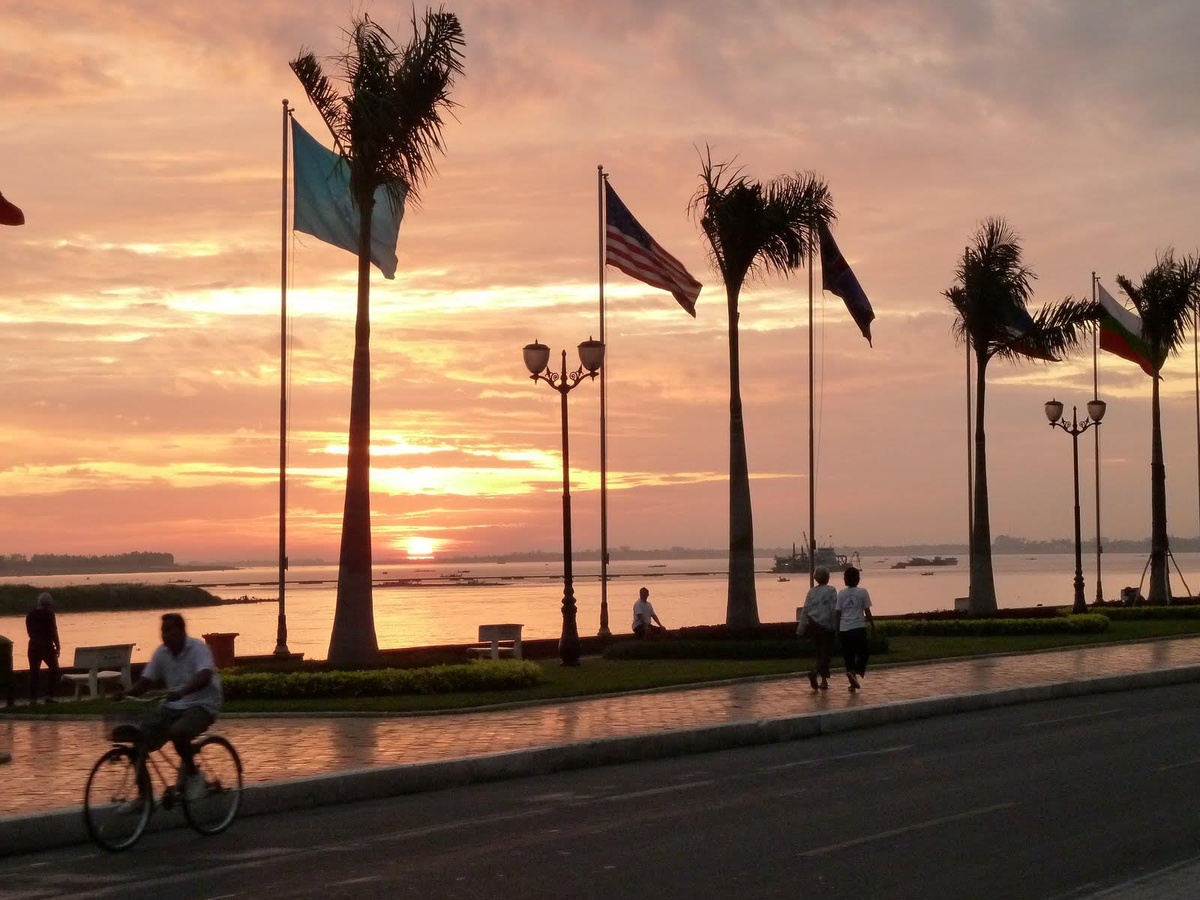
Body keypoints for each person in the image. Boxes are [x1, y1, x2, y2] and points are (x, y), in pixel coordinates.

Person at [117, 613, 222, 798]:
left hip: (203, 705)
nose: (165, 635)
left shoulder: (197, 648)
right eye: (162, 631)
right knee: (139, 740)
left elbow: (205, 675)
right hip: (174, 706)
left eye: (169, 630)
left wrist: (183, 691)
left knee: (178, 732)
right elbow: (145, 682)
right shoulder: (161, 653)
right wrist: (125, 693)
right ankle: (144, 798)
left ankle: (194, 775)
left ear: (181, 631)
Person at [835, 566, 875, 691]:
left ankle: (852, 679)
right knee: (864, 652)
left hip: (844, 629)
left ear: (845, 579)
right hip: (858, 627)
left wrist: (837, 629)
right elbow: (867, 611)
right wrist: (872, 625)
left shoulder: (841, 593)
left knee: (849, 655)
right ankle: (856, 672)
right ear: (858, 579)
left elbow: (838, 613)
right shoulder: (862, 592)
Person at [799, 566, 838, 691]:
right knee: (826, 653)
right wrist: (835, 625)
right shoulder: (831, 590)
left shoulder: (811, 592)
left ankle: (824, 680)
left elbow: (805, 610)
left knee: (819, 653)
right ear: (827, 578)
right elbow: (833, 609)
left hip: (813, 625)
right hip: (826, 626)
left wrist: (801, 628)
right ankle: (816, 672)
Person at [25, 592, 60, 704]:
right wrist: (58, 645)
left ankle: (33, 699)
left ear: (39, 602)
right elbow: (53, 631)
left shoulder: (30, 615)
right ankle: (49, 696)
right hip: (47, 646)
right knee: (54, 670)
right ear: (49, 604)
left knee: (34, 673)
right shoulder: (49, 614)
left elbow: (29, 632)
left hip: (33, 646)